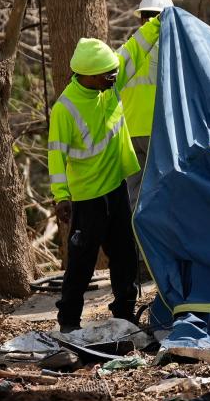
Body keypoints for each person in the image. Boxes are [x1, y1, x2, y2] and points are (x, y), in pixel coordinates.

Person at [47, 37, 152, 332]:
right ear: (89, 75)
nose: (114, 77)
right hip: (87, 198)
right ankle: (68, 321)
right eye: (108, 74)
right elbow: (56, 155)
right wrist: (61, 196)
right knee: (81, 262)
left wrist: (160, 21)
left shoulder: (110, 86)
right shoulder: (65, 109)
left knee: (125, 256)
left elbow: (134, 49)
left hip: (116, 188)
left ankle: (124, 314)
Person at [122, 0, 174, 206]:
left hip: (129, 135)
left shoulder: (125, 51)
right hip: (157, 132)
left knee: (135, 198)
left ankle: (136, 239)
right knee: (162, 193)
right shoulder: (168, 50)